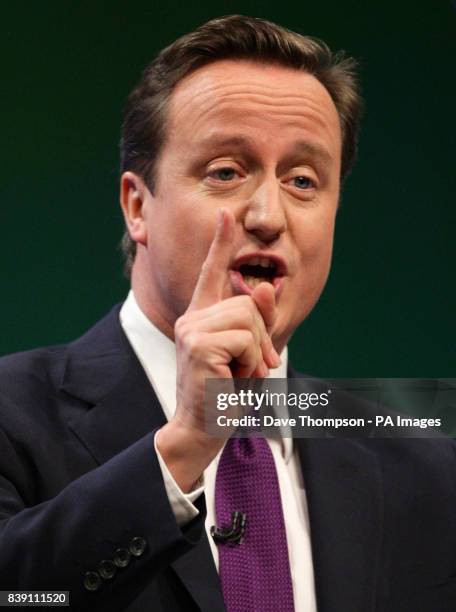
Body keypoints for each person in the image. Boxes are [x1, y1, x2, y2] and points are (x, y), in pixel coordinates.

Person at [0, 14, 455, 612]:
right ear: (137, 206)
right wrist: (184, 446)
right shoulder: (10, 415)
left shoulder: (427, 469)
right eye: (226, 172)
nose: (268, 214)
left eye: (302, 180)